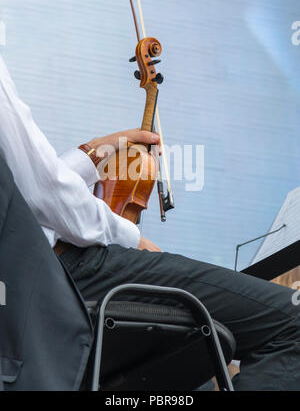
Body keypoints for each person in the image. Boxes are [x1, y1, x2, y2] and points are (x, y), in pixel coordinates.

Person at [0, 54, 299, 391]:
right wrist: (129, 236)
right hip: (63, 272)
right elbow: (41, 192)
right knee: (293, 323)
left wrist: (94, 151)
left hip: (26, 288)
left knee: (187, 370)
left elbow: (24, 189)